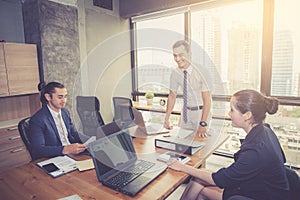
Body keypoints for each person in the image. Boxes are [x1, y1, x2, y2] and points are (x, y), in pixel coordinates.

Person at [167, 89, 289, 200]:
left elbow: (219, 180)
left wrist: (182, 167)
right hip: (257, 184)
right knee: (199, 177)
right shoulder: (265, 130)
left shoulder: (256, 149)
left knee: (202, 191)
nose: (229, 113)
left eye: (232, 110)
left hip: (261, 194)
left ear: (247, 115)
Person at [164, 40, 212, 137]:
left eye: (181, 55)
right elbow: (172, 96)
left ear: (189, 54)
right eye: (175, 55)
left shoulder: (202, 71)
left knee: (200, 145)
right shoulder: (175, 73)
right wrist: (167, 118)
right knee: (181, 143)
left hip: (201, 113)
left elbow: (207, 100)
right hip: (185, 113)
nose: (177, 59)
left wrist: (203, 123)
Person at [29, 81, 87, 160]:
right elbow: (39, 150)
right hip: (56, 157)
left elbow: (73, 133)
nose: (64, 100)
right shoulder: (37, 120)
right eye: (60, 97)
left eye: (65, 96)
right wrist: (65, 149)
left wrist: (90, 140)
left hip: (72, 155)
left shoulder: (65, 112)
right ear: (48, 97)